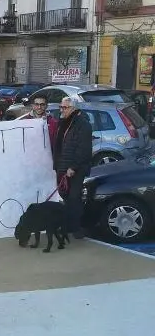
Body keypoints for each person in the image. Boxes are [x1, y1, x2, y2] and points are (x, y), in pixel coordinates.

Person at [53, 96, 93, 239]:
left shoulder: (83, 124)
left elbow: (84, 149)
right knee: (65, 195)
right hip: (63, 165)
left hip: (76, 167)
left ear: (73, 108)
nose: (61, 110)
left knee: (74, 197)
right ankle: (69, 224)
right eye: (61, 107)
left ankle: (76, 228)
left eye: (65, 107)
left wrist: (73, 167)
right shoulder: (63, 122)